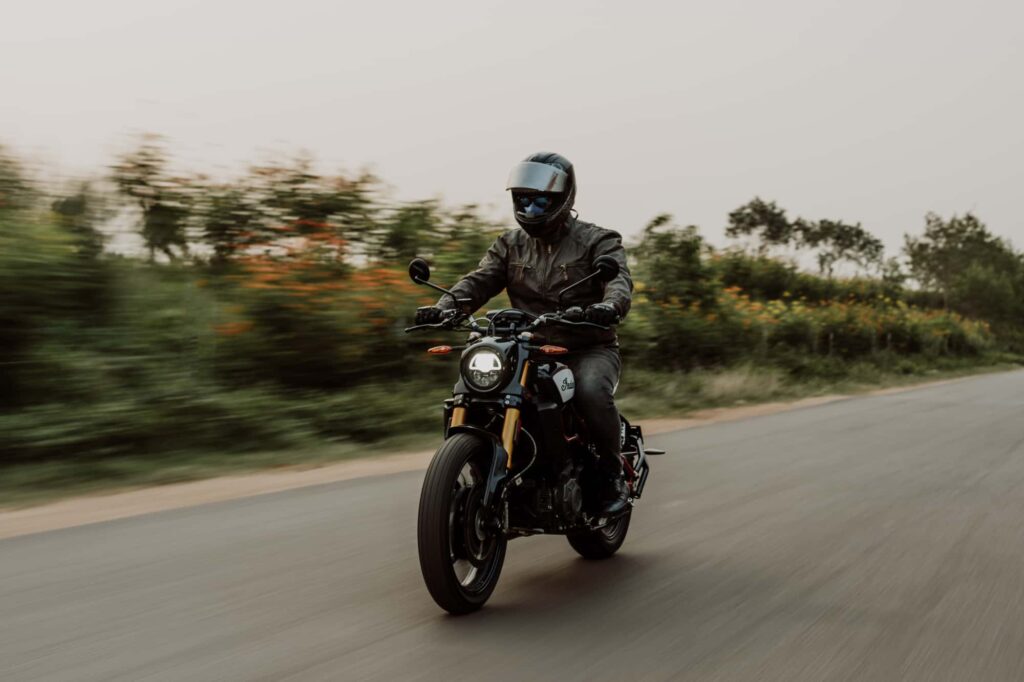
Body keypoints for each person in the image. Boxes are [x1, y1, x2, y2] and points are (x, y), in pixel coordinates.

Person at [415, 152, 634, 514]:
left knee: (592, 392)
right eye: (525, 199)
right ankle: (481, 474)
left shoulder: (598, 240)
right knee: (472, 392)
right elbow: (479, 280)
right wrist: (444, 308)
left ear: (564, 198)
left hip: (585, 347)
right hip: (525, 347)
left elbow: (617, 281)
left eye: (541, 200)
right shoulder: (509, 244)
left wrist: (609, 306)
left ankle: (611, 475)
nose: (531, 208)